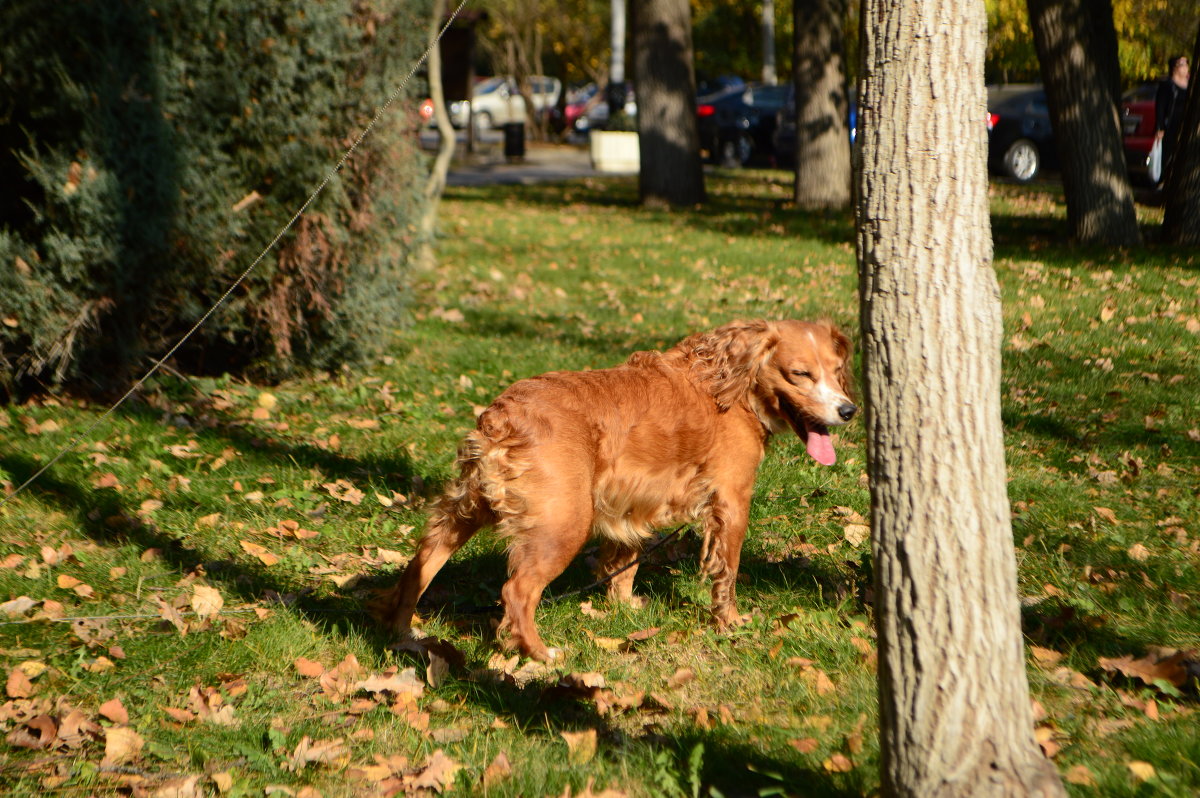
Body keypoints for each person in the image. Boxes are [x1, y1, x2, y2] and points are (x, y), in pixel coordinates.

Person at [1155, 55, 1189, 187]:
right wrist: (1160, 127)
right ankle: (1162, 182)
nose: (1186, 67)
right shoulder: (1167, 85)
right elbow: (1160, 108)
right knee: (1167, 155)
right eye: (1182, 64)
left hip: (1184, 127)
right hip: (1170, 128)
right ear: (1174, 68)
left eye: (1187, 63)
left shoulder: (1190, 86)